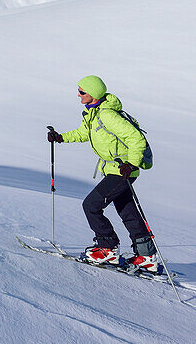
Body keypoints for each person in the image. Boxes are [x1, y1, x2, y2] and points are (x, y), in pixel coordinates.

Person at [46, 75, 160, 272]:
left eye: (82, 91)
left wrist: (131, 164)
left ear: (94, 93)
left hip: (122, 170)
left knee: (91, 205)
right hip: (115, 170)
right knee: (127, 211)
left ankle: (107, 248)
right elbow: (84, 133)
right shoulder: (92, 113)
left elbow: (136, 138)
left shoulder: (107, 115)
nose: (78, 94)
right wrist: (61, 137)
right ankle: (146, 256)